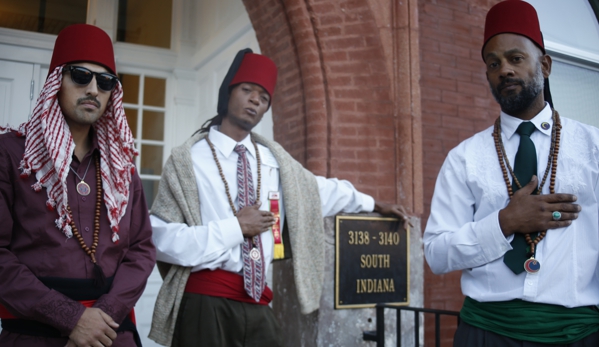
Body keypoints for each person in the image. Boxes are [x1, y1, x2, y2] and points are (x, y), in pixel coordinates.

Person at [148, 48, 410, 347]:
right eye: (247, 90)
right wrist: (236, 227)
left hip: (258, 301)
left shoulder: (275, 161)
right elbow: (161, 240)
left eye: (264, 97)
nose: (255, 100)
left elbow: (319, 191)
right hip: (204, 303)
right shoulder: (188, 161)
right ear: (227, 93)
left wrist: (374, 204)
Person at [423, 0, 599, 346]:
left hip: (576, 333)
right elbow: (436, 254)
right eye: (493, 63)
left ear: (544, 65)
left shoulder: (592, 147)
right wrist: (503, 223)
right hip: (487, 333)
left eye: (516, 59)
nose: (504, 70)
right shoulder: (464, 158)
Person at [0, 24, 156, 347]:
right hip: (36, 334)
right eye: (81, 76)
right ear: (56, 81)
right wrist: (71, 319)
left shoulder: (121, 166)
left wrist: (103, 316)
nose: (93, 89)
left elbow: (142, 249)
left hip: (112, 334)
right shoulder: (12, 154)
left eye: (105, 81)